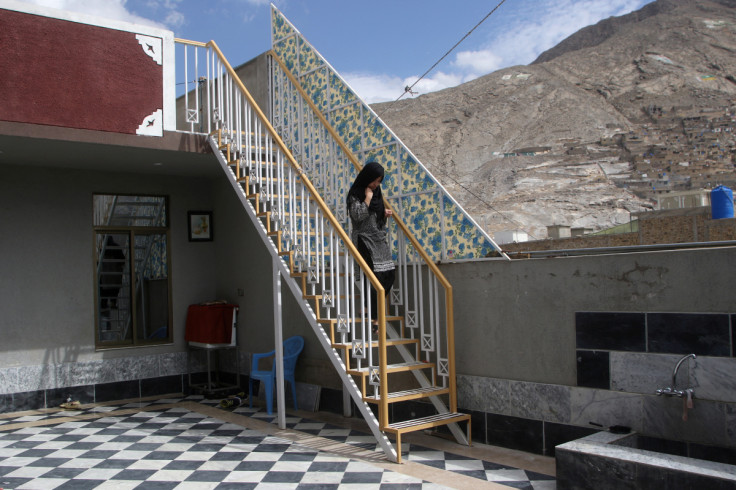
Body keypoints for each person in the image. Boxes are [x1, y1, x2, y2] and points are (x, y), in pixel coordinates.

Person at [346, 162, 395, 324]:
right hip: (364, 239)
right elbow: (358, 216)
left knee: (389, 275)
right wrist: (367, 198)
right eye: (374, 180)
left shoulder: (377, 193)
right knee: (376, 276)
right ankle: (375, 319)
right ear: (367, 177)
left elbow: (375, 216)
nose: (376, 184)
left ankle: (368, 309)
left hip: (378, 238)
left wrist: (383, 213)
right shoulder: (355, 194)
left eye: (379, 181)